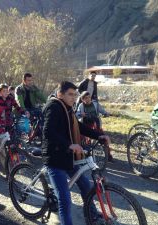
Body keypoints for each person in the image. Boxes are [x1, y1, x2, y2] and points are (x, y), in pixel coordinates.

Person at [42, 81, 110, 225]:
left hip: (67, 156)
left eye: (75, 94)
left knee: (86, 186)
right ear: (60, 94)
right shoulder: (53, 107)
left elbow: (78, 126)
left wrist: (98, 135)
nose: (74, 97)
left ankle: (91, 215)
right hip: (55, 158)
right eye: (70, 94)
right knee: (65, 199)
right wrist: (70, 144)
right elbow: (48, 132)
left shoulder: (67, 108)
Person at [76, 91, 113, 162]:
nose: (88, 99)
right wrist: (81, 114)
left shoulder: (95, 104)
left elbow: (102, 110)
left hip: (96, 124)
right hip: (86, 125)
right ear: (83, 99)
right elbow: (77, 114)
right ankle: (82, 154)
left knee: (103, 138)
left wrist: (106, 113)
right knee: (80, 139)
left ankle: (108, 156)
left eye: (89, 97)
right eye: (86, 98)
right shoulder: (81, 106)